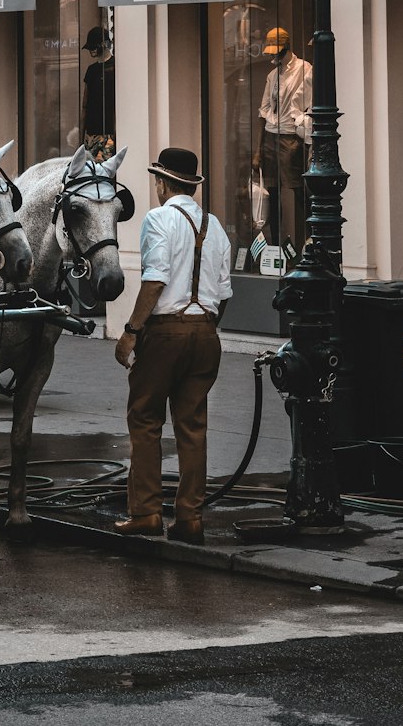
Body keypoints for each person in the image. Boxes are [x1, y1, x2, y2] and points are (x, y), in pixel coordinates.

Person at [114, 146, 232, 546]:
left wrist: (131, 330)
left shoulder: (159, 218)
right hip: (206, 333)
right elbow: (225, 292)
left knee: (145, 419)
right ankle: (190, 518)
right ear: (191, 184)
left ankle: (146, 513)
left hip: (165, 332)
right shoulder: (214, 226)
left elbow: (155, 278)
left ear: (163, 183)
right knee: (193, 426)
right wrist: (205, 325)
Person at [252, 28, 311, 254]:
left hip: (290, 137)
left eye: (275, 50)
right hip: (271, 136)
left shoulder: (304, 69)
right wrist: (258, 150)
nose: (272, 56)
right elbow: (264, 110)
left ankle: (307, 243)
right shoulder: (272, 75)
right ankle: (275, 245)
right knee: (272, 192)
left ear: (286, 47)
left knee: (298, 191)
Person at [81, 26, 116, 155]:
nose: (91, 51)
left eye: (93, 46)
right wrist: (82, 135)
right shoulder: (91, 70)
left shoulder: (115, 67)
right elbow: (85, 105)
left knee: (105, 170)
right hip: (91, 132)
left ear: (103, 44)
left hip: (109, 132)